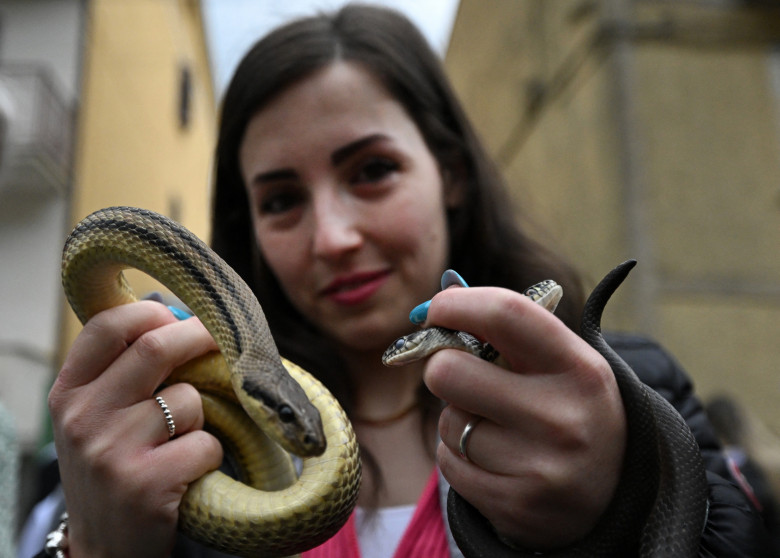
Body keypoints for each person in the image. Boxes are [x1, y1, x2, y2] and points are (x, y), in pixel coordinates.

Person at [26, 4, 771, 557]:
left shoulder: (628, 387)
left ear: (447, 173)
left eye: (373, 171)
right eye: (282, 199)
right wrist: (91, 545)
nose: (334, 238)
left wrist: (617, 506)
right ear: (245, 223)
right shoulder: (168, 421)